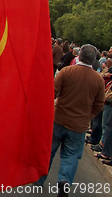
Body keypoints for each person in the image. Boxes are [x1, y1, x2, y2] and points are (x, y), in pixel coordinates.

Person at [35, 44, 104, 196]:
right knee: (71, 156)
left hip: (59, 118)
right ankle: (64, 181)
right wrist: (88, 117)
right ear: (93, 61)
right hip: (79, 126)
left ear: (79, 56)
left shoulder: (67, 71)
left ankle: (40, 178)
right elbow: (99, 105)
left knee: (49, 150)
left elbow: (52, 90)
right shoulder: (98, 80)